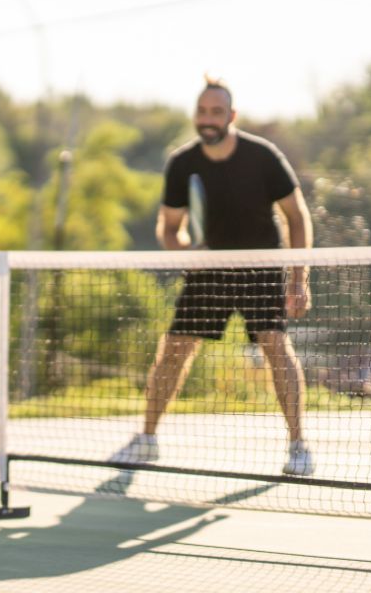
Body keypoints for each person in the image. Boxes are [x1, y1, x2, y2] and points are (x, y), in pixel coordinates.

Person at [111, 77, 316, 477]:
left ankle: (298, 446)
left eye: (216, 112)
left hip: (261, 268)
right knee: (173, 349)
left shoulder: (263, 157)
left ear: (231, 116)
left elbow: (297, 217)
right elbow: (169, 227)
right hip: (210, 271)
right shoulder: (182, 163)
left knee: (275, 345)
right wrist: (185, 253)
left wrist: (298, 279)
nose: (208, 119)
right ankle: (147, 440)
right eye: (202, 111)